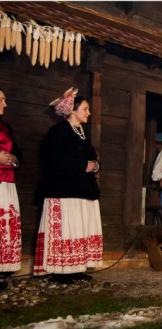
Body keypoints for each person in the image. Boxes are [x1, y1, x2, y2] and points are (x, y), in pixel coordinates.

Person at [33, 87, 103, 281]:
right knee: (66, 229)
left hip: (83, 189)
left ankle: (77, 267)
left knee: (79, 227)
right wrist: (83, 165)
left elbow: (92, 157)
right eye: (85, 109)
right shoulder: (58, 131)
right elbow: (53, 160)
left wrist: (95, 165)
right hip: (63, 189)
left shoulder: (82, 132)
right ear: (73, 110)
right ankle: (60, 271)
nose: (88, 113)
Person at [0, 88, 23, 289]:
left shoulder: (5, 127)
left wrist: (13, 158)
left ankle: (2, 268)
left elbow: (17, 153)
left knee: (5, 227)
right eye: (1, 100)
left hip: (6, 182)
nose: (5, 104)